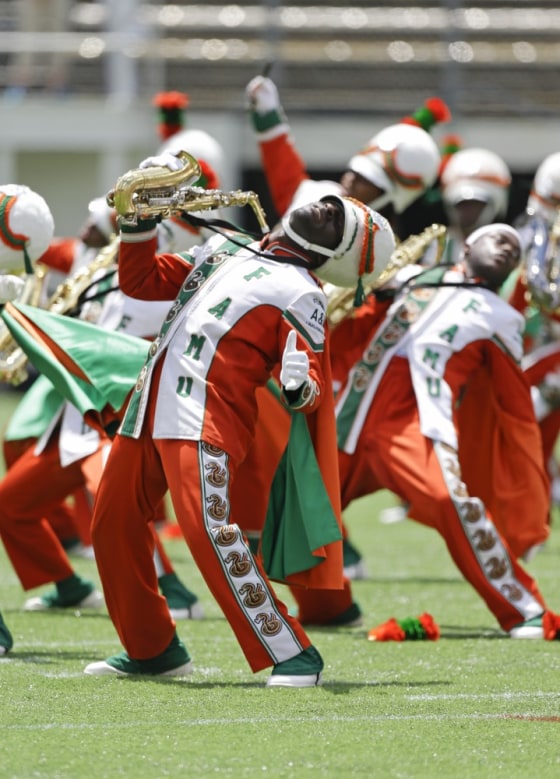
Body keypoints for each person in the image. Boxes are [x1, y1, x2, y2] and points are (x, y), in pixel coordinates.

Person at [82, 149, 396, 684]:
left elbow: (310, 388)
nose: (323, 207)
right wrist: (135, 227)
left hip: (204, 416)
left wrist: (299, 385)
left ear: (336, 253)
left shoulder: (304, 292)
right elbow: (143, 283)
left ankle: (291, 651)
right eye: (329, 204)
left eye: (335, 218)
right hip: (149, 407)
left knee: (210, 531)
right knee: (110, 525)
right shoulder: (227, 249)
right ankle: (152, 649)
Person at [334, 223, 560, 639]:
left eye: (515, 251)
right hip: (350, 409)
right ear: (468, 245)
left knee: (448, 498)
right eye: (500, 240)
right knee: (297, 502)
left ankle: (523, 607)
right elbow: (352, 320)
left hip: (415, 418)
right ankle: (327, 606)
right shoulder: (415, 276)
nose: (509, 250)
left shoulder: (502, 316)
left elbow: (509, 397)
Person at [0, 195, 202, 619]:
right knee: (10, 505)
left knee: (119, 516)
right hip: (77, 423)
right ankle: (69, 585)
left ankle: (173, 593)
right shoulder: (105, 280)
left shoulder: (159, 291)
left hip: (118, 425)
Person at [245, 76, 449, 234]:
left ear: (389, 198)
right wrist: (267, 114)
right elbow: (282, 167)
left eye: (365, 179)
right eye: (354, 170)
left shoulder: (380, 250)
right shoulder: (317, 194)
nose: (351, 178)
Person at [439, 147, 512, 264]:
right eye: (461, 204)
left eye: (476, 204)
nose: (468, 211)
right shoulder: (438, 246)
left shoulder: (507, 249)